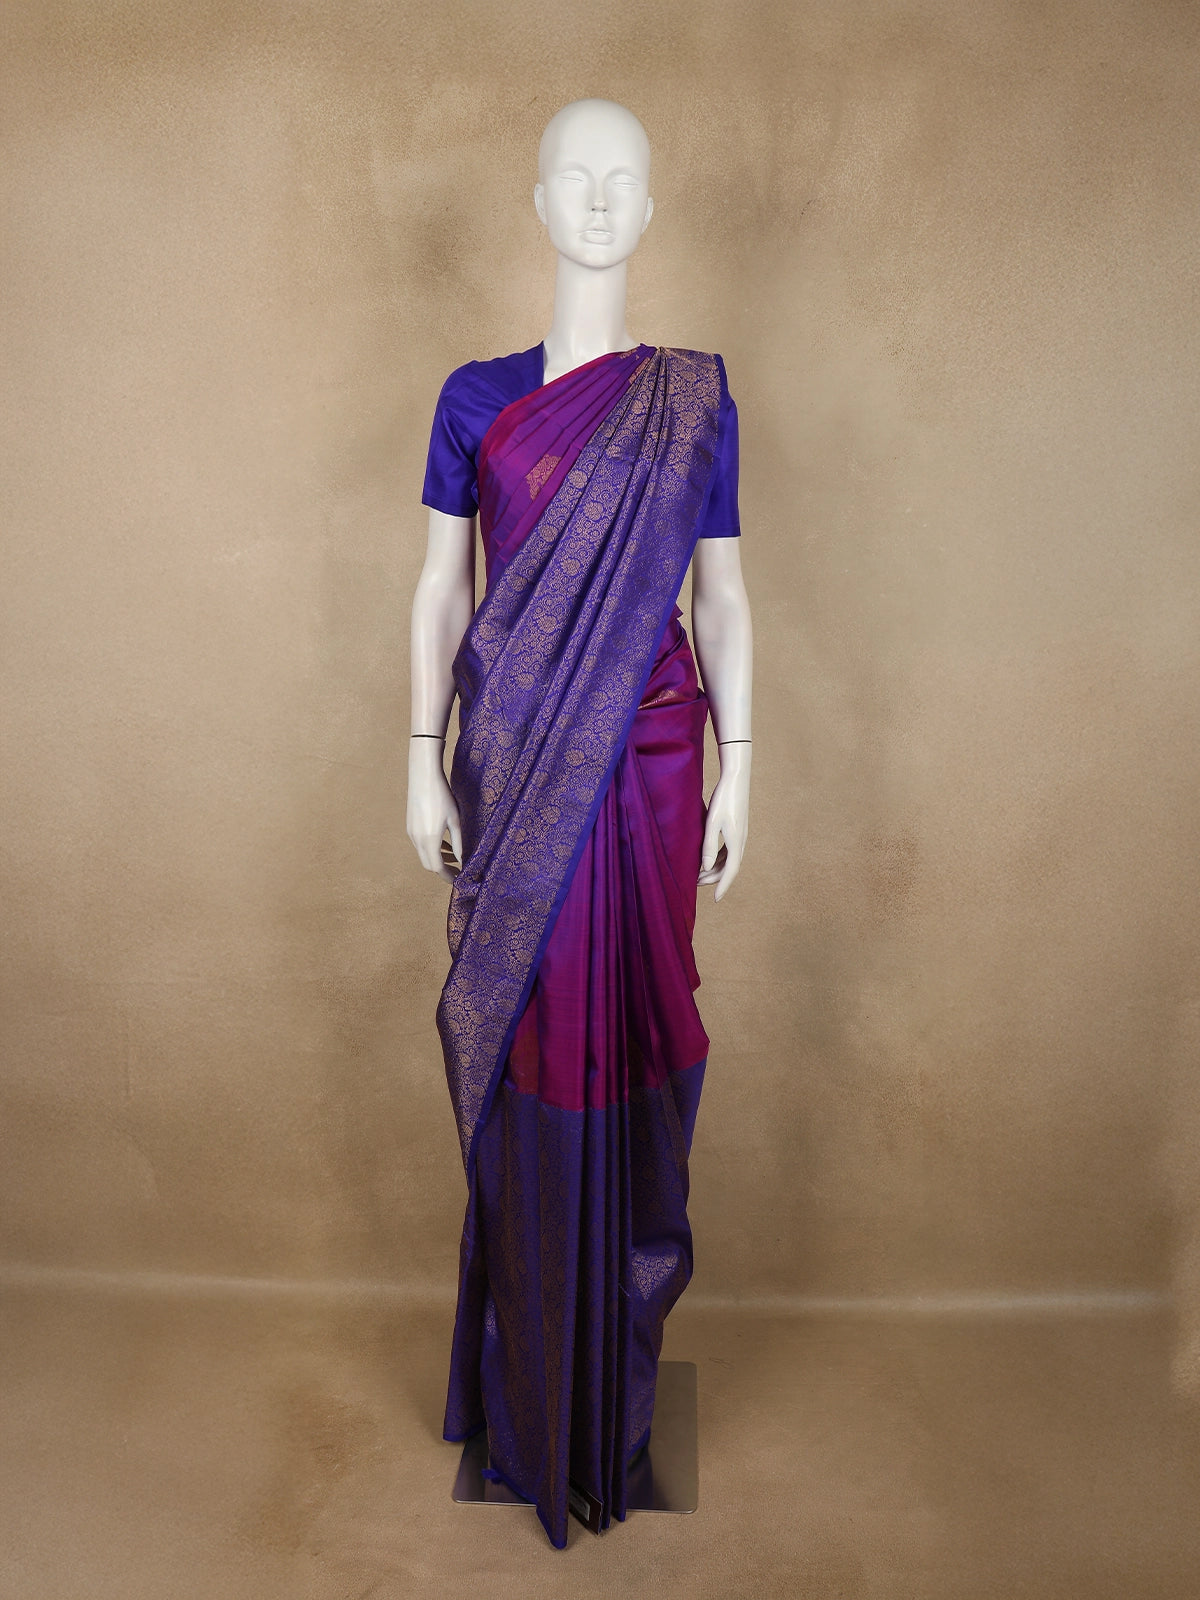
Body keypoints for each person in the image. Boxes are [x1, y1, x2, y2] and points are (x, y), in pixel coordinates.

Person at [407, 97, 753, 1549]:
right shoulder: (475, 399)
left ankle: (615, 1377)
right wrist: (419, 755)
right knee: (537, 1042)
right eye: (576, 178)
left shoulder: (695, 402)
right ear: (538, 202)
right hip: (518, 770)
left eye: (625, 181)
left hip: (656, 761)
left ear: (651, 210)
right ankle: (540, 1387)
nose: (601, 202)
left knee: (642, 1031)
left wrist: (747, 762)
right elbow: (443, 587)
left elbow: (721, 593)